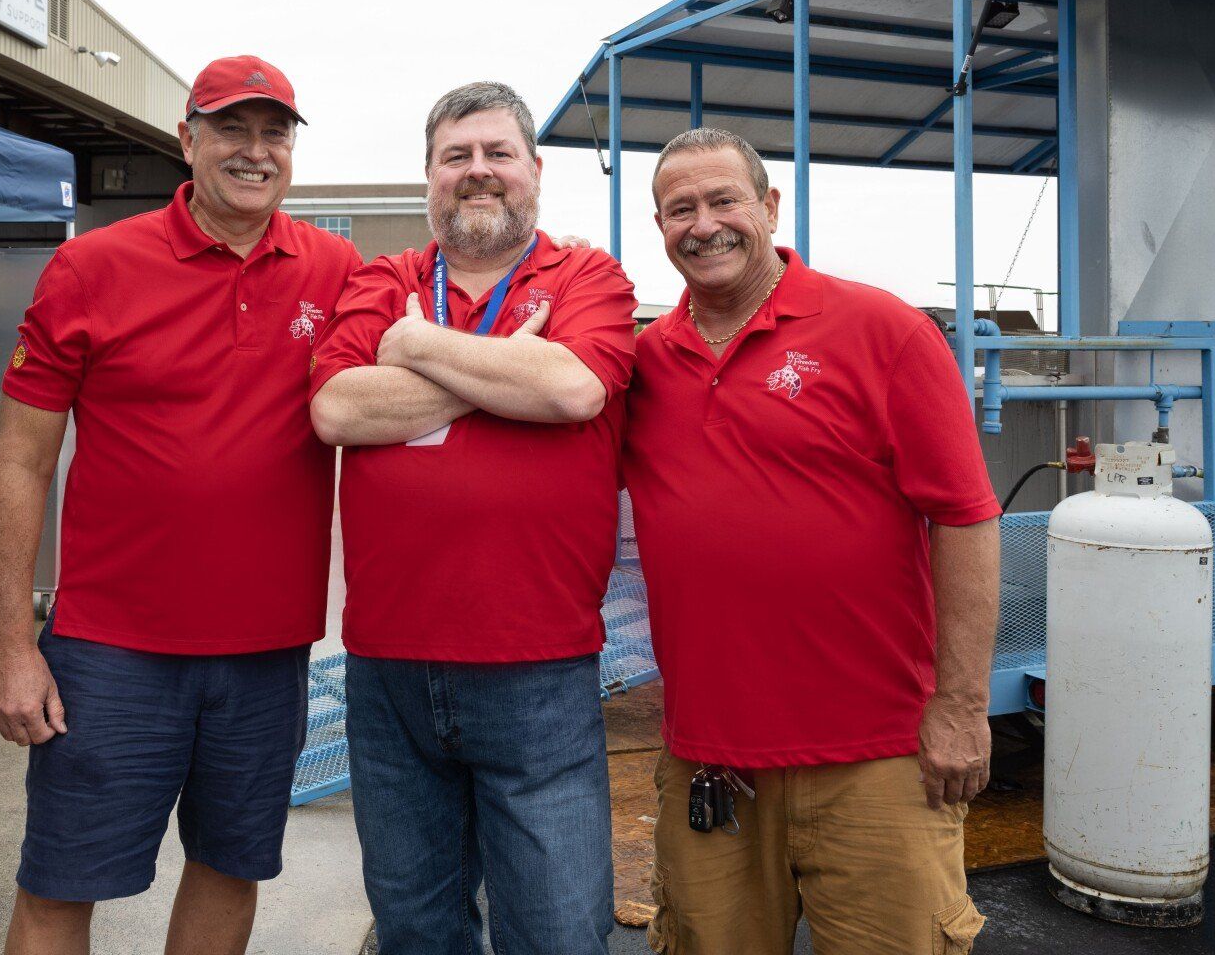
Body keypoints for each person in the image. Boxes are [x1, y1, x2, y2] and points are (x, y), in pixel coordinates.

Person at [0, 55, 361, 955]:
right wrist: (10, 648)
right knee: (61, 883)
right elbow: (19, 460)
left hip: (269, 653)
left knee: (232, 868)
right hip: (113, 651)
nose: (254, 151)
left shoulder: (334, 268)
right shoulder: (90, 267)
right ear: (186, 141)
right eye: (232, 128)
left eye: (275, 134)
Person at [621, 127, 1001, 955]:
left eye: (724, 200)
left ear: (768, 206)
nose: (704, 223)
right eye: (679, 208)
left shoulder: (882, 330)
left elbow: (967, 517)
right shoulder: (645, 364)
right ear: (659, 227)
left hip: (879, 759)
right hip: (709, 763)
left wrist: (963, 708)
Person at [309, 82, 637, 955]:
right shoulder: (384, 278)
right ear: (429, 177)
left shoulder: (587, 277)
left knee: (558, 932)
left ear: (535, 169)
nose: (478, 172)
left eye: (498, 154)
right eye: (457, 156)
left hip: (537, 668)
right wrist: (504, 374)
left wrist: (416, 346)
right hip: (388, 669)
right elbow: (338, 411)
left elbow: (571, 390)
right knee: (417, 929)